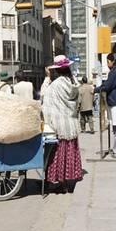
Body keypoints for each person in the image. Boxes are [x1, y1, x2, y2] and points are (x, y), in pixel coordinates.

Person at [42, 55, 82, 193]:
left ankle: (61, 183)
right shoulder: (72, 83)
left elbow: (44, 99)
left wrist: (47, 78)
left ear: (57, 70)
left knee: (59, 156)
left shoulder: (56, 84)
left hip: (60, 127)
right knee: (68, 155)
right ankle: (68, 182)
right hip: (71, 126)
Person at [94, 53, 116, 158]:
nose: (107, 63)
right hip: (115, 102)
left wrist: (96, 89)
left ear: (112, 61)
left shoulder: (114, 72)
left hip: (115, 103)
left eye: (108, 61)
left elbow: (108, 86)